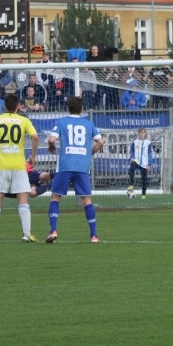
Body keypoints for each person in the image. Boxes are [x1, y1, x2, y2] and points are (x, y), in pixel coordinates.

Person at [45, 96, 104, 244]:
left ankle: (53, 230)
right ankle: (94, 236)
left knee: (55, 197)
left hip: (65, 165)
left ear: (68, 108)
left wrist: (51, 146)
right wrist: (89, 152)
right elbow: (100, 142)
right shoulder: (88, 123)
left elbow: (52, 139)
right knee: (86, 200)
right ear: (82, 109)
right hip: (82, 167)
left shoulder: (62, 121)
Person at [0, 94, 40, 243]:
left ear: (4, 107)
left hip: (2, 165)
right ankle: (26, 234)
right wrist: (33, 156)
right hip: (18, 165)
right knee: (22, 197)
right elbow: (35, 137)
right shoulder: (24, 120)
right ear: (18, 107)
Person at [127, 127, 153, 199]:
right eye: (140, 133)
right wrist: (132, 157)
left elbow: (150, 154)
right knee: (131, 168)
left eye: (143, 132)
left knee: (144, 179)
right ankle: (131, 184)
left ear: (145, 134)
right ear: (138, 134)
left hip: (144, 163)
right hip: (136, 161)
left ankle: (143, 194)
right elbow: (132, 151)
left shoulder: (148, 143)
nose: (141, 134)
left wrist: (149, 164)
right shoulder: (135, 142)